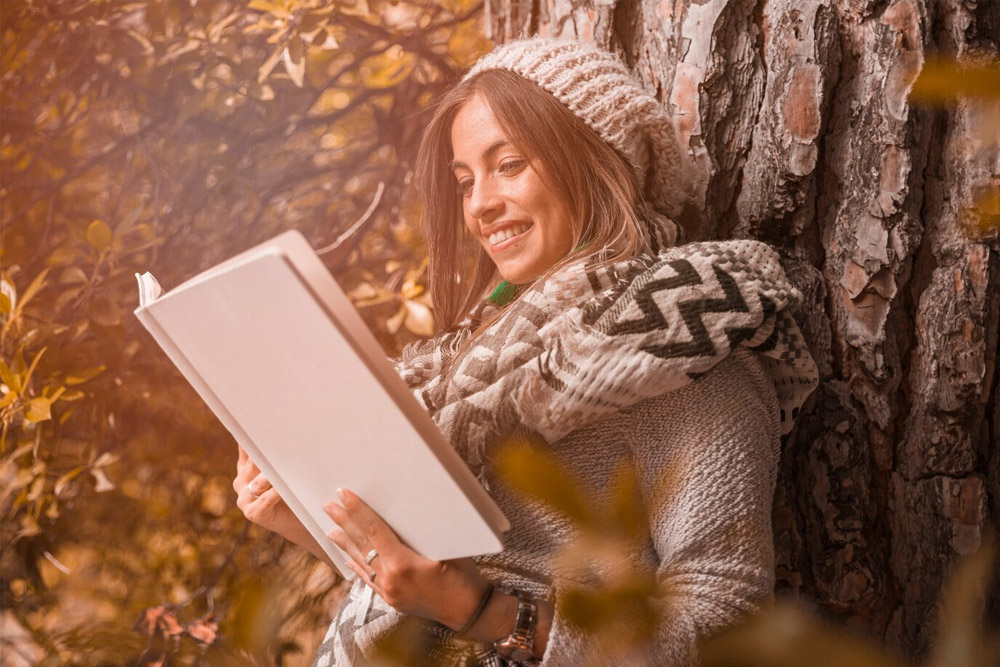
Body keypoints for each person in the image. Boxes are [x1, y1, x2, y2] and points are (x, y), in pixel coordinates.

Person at [234, 37, 819, 666]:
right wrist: (308, 518)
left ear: (597, 162)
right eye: (465, 180)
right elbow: (444, 578)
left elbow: (726, 630)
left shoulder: (689, 346)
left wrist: (481, 613)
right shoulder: (467, 362)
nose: (480, 204)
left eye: (508, 164)